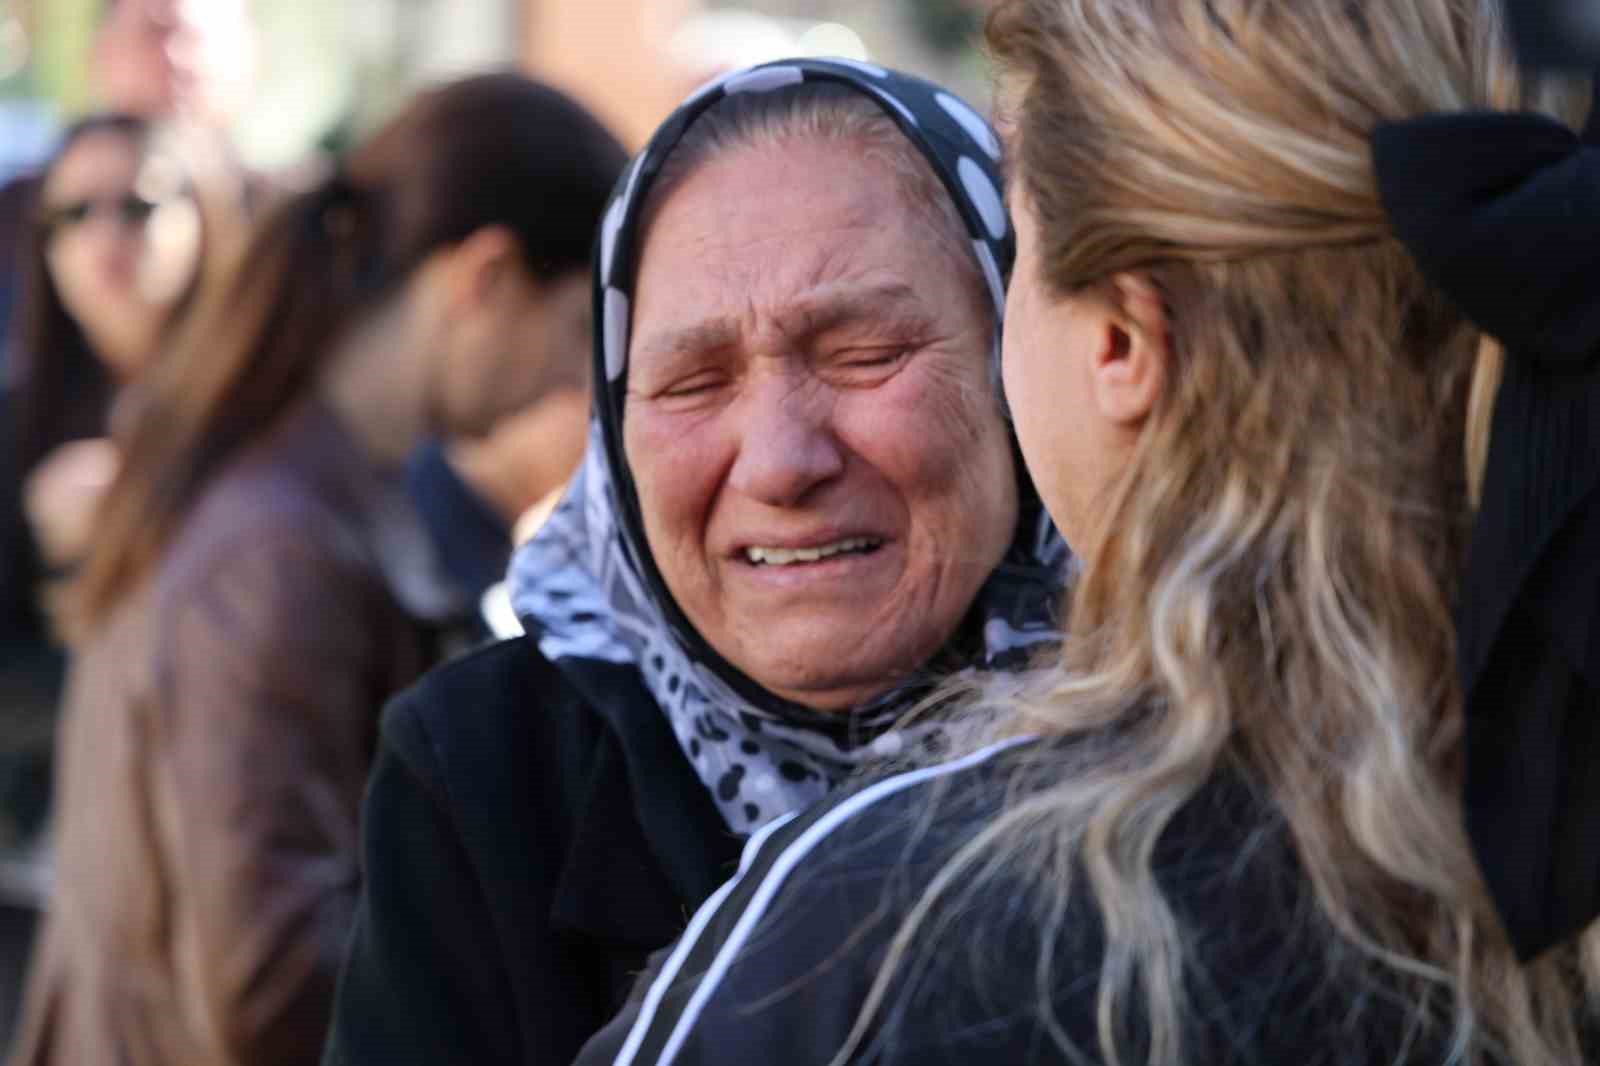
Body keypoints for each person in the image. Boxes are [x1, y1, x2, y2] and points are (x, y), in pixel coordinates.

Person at [575, 3, 1600, 1065]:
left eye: (1016, 257)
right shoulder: (1543, 798)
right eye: (691, 381)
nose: (781, 463)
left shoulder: (886, 926)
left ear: (1120, 338)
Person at [322, 59, 1065, 1066]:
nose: (780, 463)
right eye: (692, 380)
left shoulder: (1188, 739)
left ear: (1014, 361)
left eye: (863, 353)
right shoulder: (484, 774)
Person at [7, 73, 625, 1066]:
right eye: (574, 332)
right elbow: (272, 989)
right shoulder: (278, 545)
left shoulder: (293, 490)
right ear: (486, 277)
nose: (574, 380)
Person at [0, 113, 197, 840]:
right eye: (76, 213)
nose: (107, 236)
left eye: (138, 206)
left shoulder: (262, 412)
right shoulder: (17, 424)